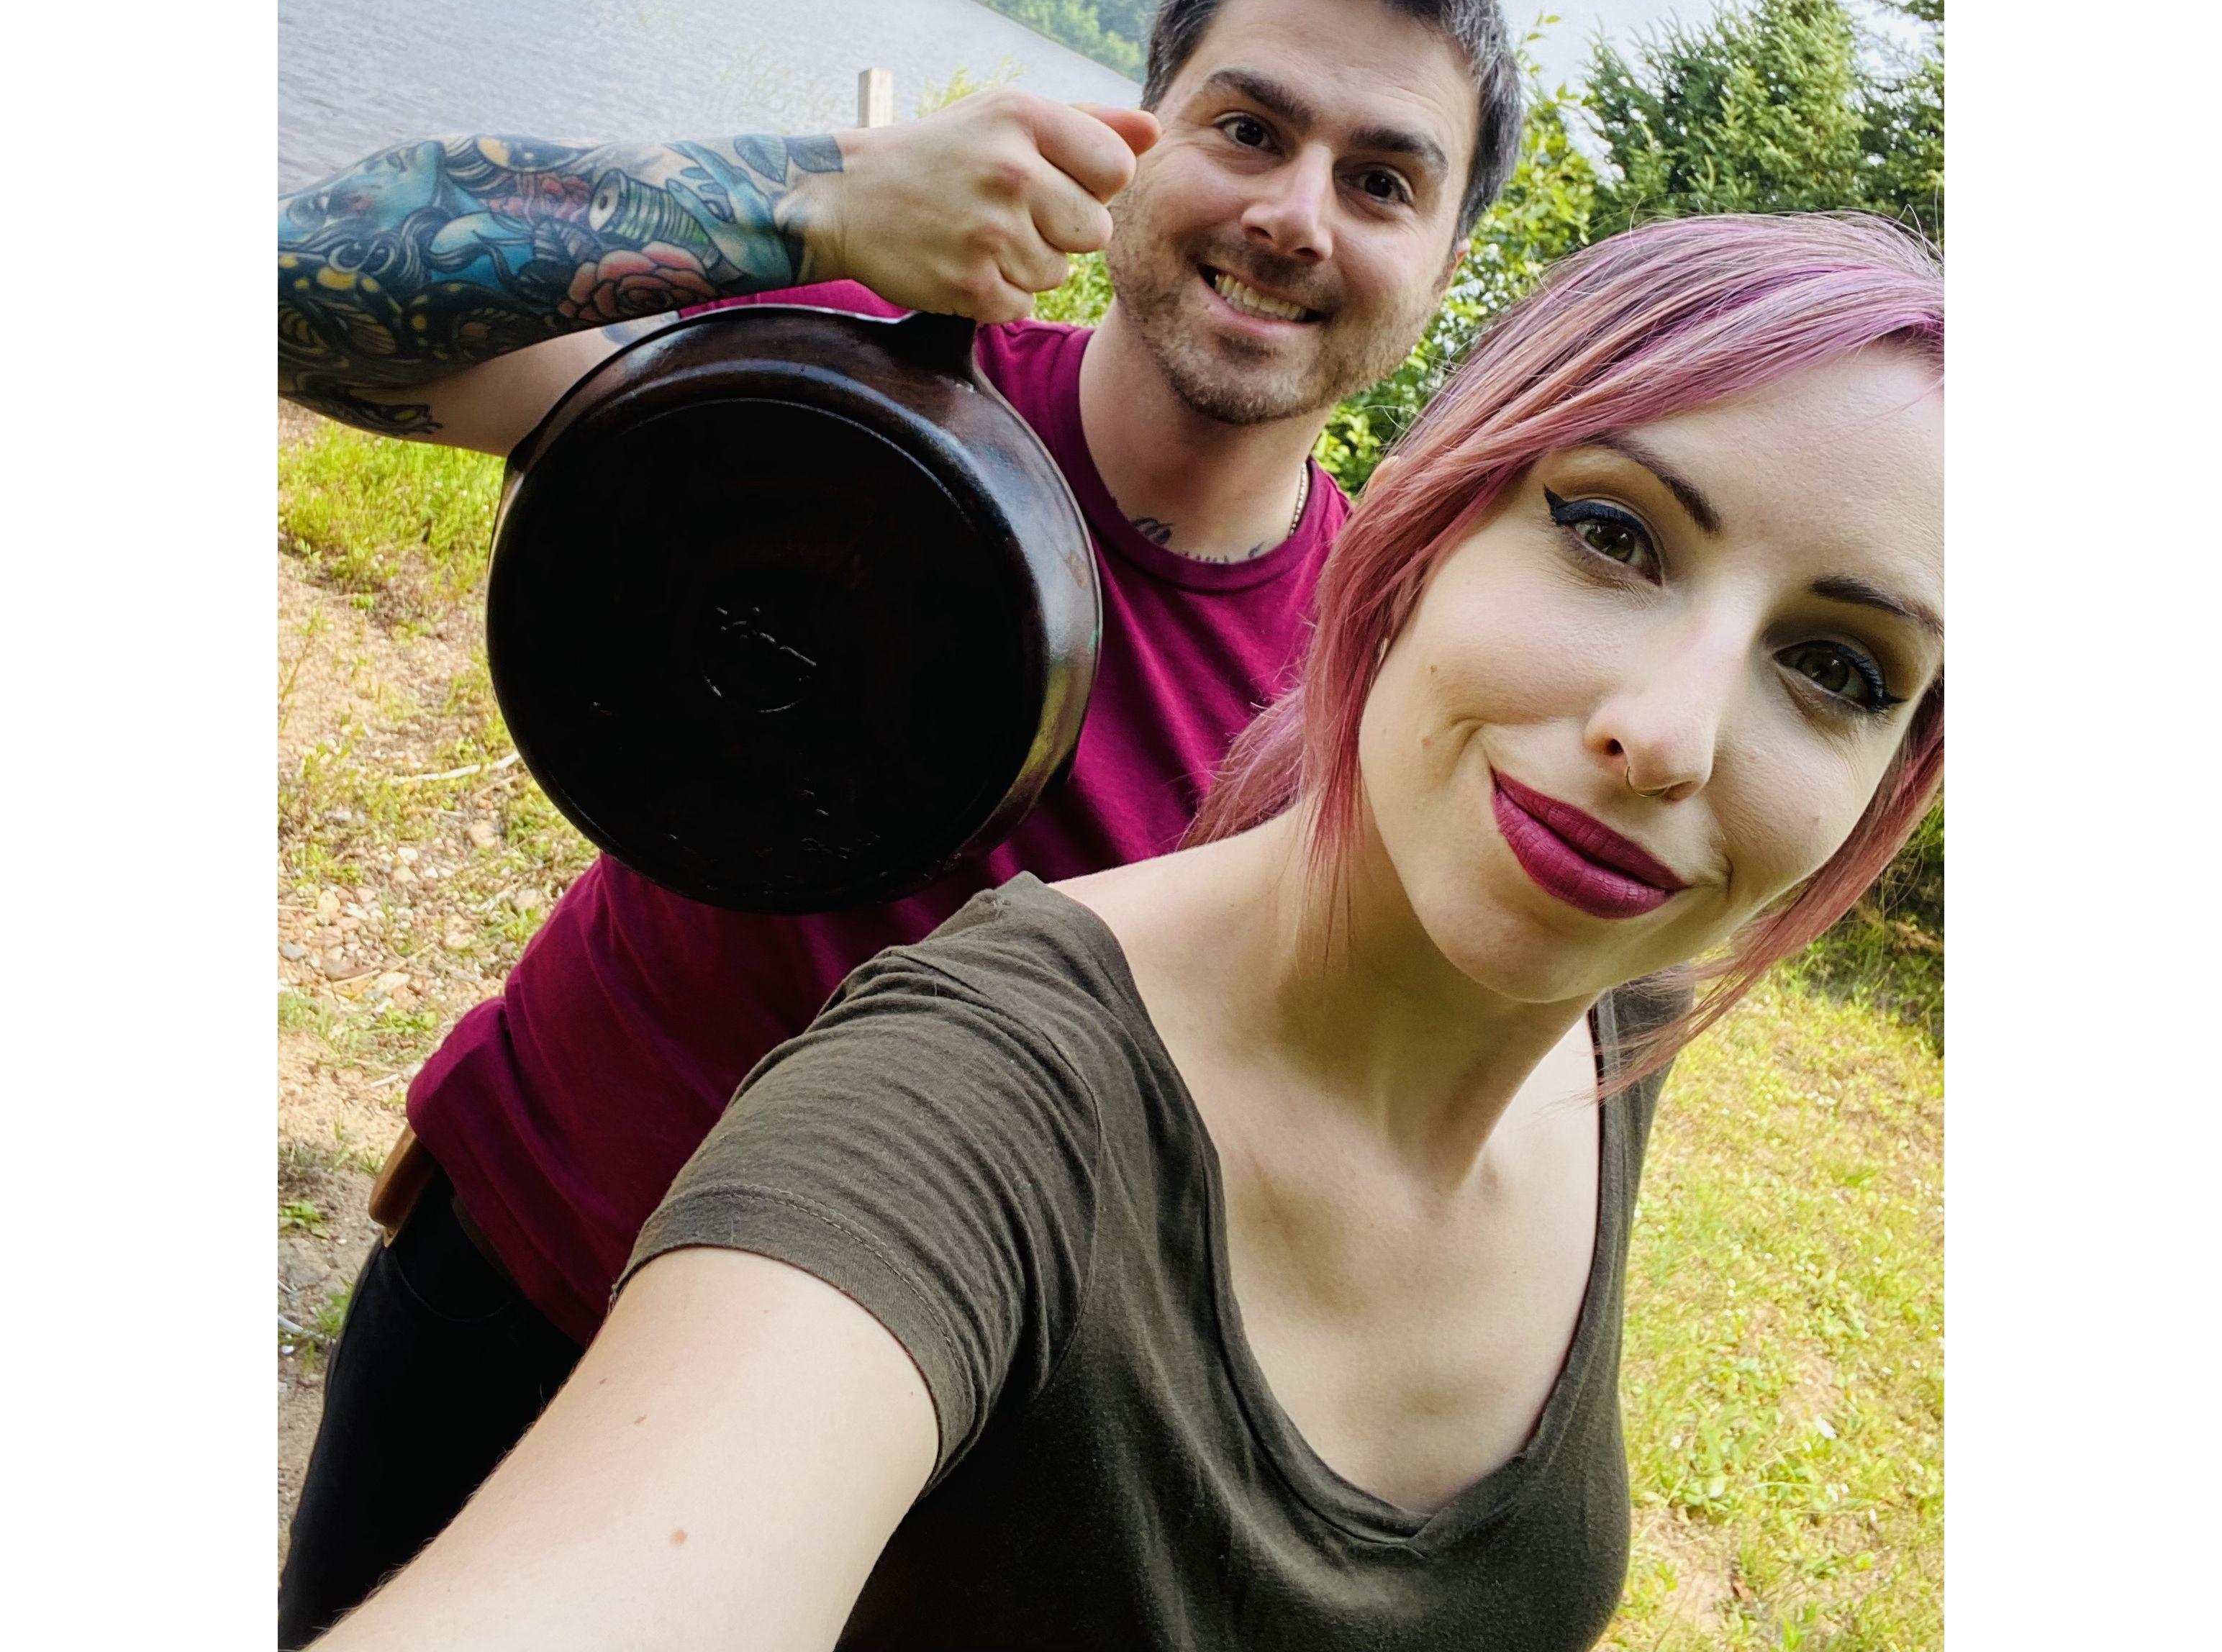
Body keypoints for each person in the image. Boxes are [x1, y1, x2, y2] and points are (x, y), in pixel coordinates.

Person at [317, 209, 1945, 1650]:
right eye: (1609, 531)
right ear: (1433, 519)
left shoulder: (1610, 1008)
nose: (1668, 733)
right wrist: (797, 194)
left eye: (1843, 668)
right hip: (524, 1269)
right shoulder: (981, 1085)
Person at [276, 0, 1528, 1642]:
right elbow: (298, 292)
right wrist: (812, 193)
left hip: (861, 1494)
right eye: (1247, 126)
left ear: (1446, 257)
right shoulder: (817, 378)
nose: (1291, 211)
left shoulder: (1366, 701)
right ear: (1138, 134)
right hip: (509, 1281)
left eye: (1383, 179)